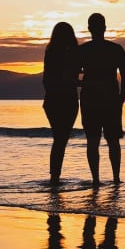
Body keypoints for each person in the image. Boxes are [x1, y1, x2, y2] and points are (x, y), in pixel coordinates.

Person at [79, 12, 125, 185]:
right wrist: (121, 99)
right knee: (113, 141)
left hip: (91, 100)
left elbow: (73, 75)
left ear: (89, 29)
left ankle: (96, 180)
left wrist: (87, 83)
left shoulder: (83, 50)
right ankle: (115, 179)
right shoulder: (115, 49)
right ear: (105, 28)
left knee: (93, 141)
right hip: (110, 100)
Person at [41, 22, 80, 186]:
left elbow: (47, 80)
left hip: (51, 100)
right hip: (67, 100)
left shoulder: (50, 52)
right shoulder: (71, 54)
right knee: (60, 140)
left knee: (59, 139)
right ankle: (55, 177)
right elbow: (68, 78)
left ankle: (54, 176)